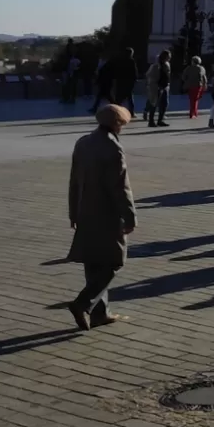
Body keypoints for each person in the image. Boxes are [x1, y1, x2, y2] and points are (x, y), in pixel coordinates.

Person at [65, 103, 137, 329]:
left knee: (93, 262)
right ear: (116, 124)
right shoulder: (112, 148)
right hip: (108, 212)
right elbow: (120, 187)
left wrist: (73, 211)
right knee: (114, 261)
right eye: (122, 124)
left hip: (85, 210)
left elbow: (74, 180)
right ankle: (83, 303)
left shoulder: (83, 142)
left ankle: (100, 313)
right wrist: (130, 215)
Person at [144, 51, 172, 127]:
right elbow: (149, 75)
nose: (170, 58)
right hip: (156, 86)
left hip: (165, 86)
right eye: (168, 56)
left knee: (164, 103)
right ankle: (151, 121)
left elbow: (167, 74)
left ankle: (160, 120)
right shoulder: (155, 65)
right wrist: (154, 84)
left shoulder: (167, 64)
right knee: (154, 103)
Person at [184, 54, 207, 120]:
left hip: (190, 86)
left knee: (192, 100)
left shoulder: (188, 68)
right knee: (196, 99)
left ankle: (192, 113)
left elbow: (183, 76)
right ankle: (194, 113)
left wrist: (187, 80)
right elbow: (204, 77)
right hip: (198, 85)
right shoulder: (201, 68)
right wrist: (205, 84)